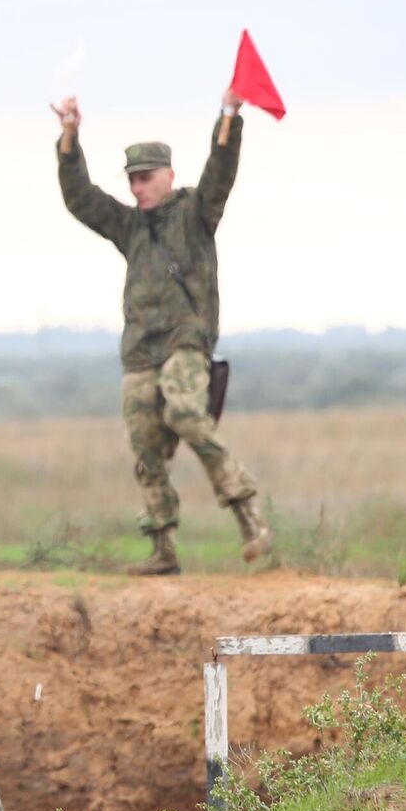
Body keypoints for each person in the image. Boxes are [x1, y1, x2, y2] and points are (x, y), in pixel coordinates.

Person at [51, 90, 272, 576]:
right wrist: (70, 137)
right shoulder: (129, 226)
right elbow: (81, 199)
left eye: (145, 178)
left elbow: (222, 169)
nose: (137, 188)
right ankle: (163, 549)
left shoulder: (197, 214)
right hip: (139, 352)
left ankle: (251, 519)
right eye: (131, 180)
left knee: (189, 414)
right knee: (145, 444)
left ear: (169, 175)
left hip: (184, 342)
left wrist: (230, 116)